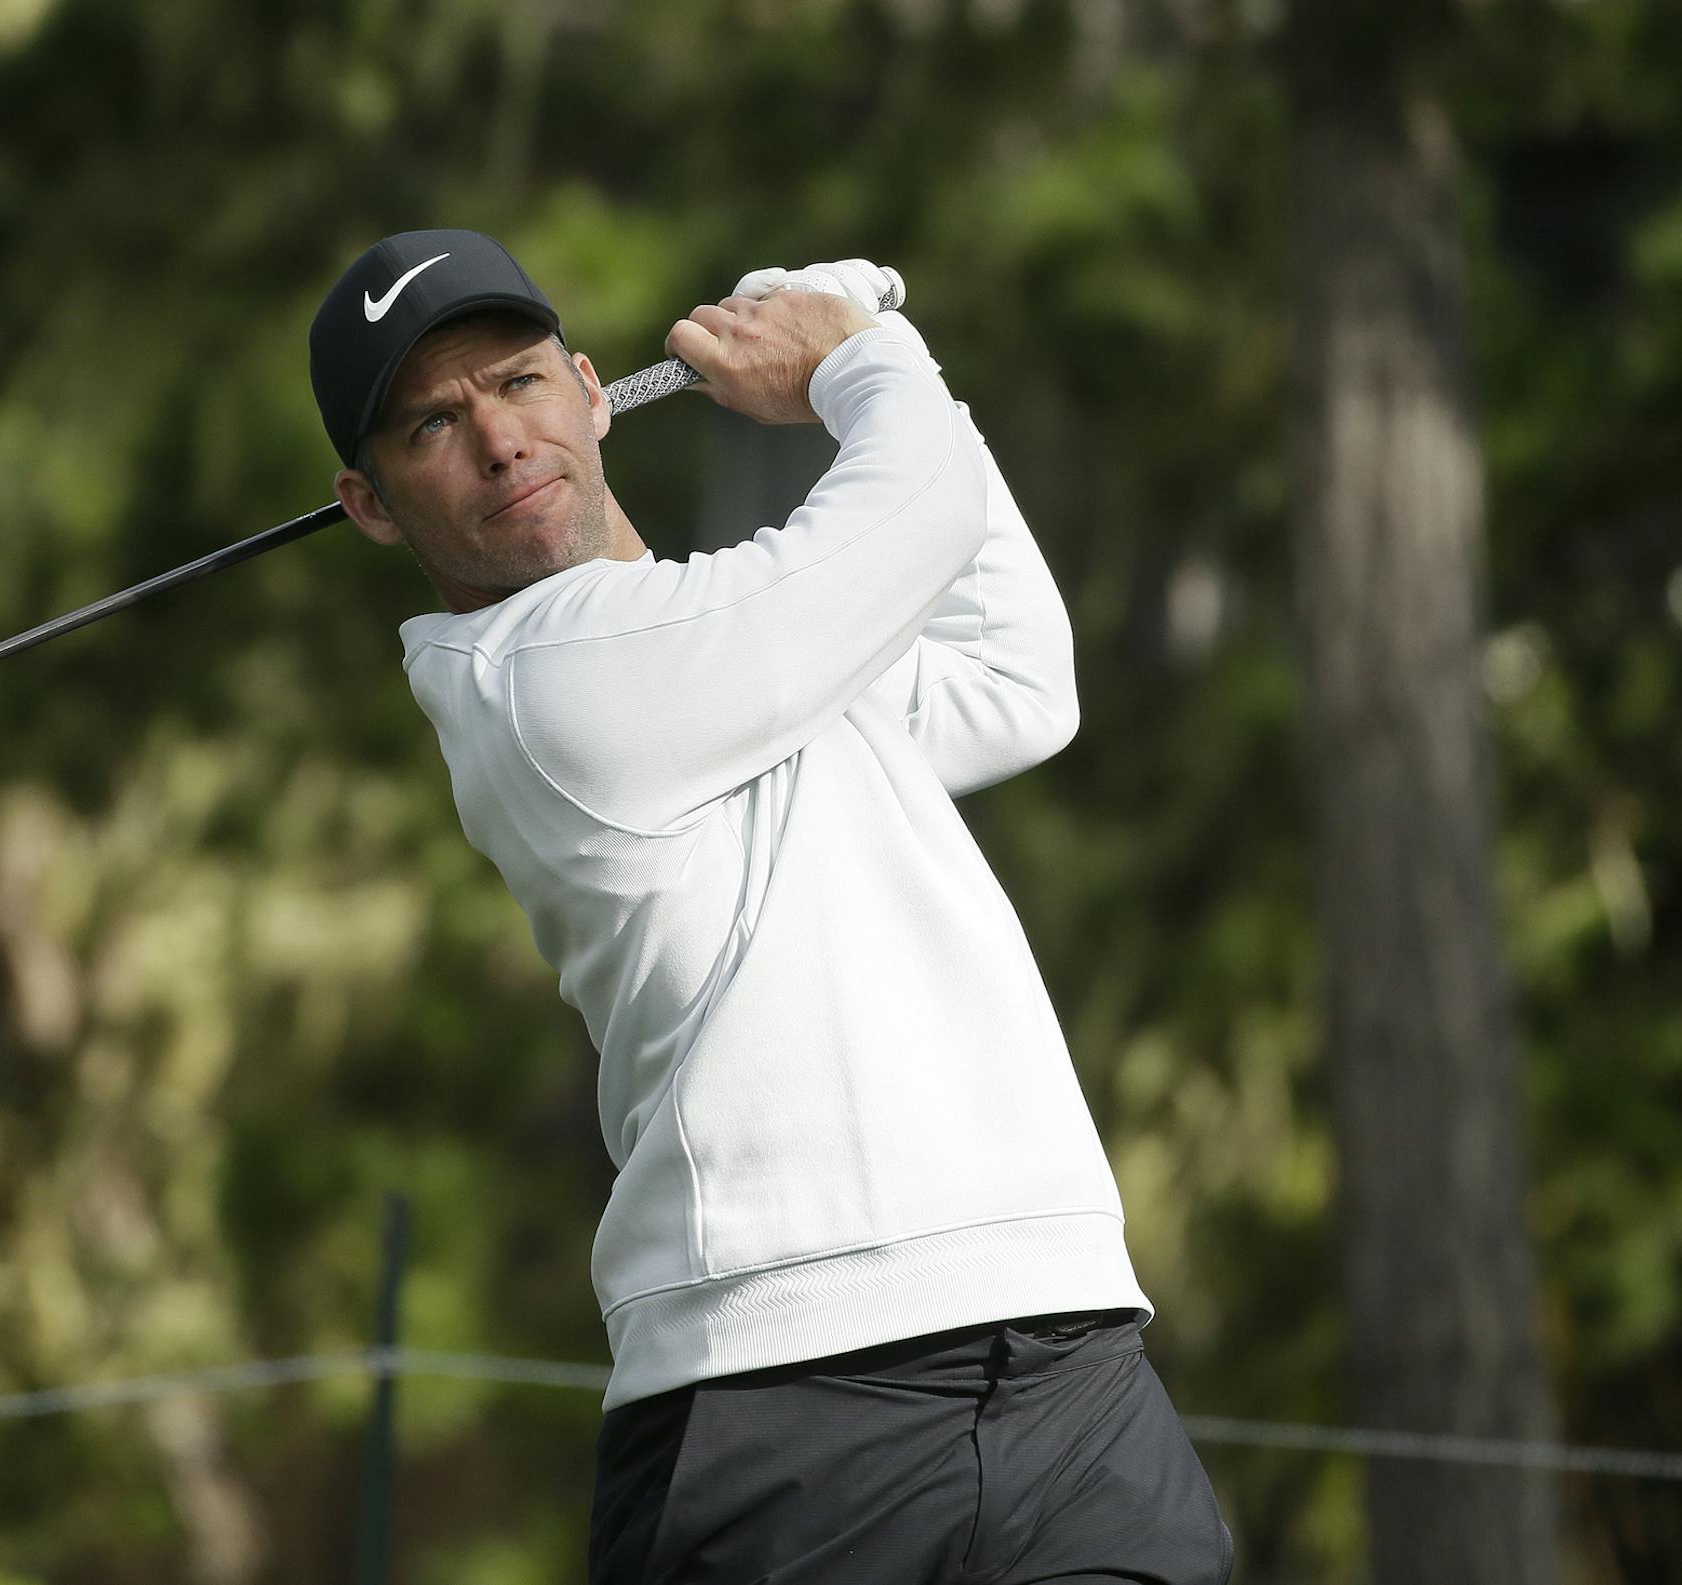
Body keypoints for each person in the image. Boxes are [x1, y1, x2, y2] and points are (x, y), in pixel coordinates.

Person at [309, 229, 1232, 1584]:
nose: (500, 441)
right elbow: (903, 520)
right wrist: (861, 353)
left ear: (591, 389)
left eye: (514, 384)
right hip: (781, 1406)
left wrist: (875, 357)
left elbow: (1016, 676)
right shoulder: (541, 680)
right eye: (432, 425)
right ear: (373, 502)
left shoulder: (732, 642)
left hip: (1063, 1366)